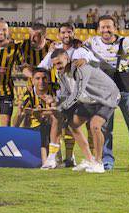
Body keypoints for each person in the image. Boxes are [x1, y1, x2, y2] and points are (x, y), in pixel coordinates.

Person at [74, 15, 129, 171]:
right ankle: (107, 161)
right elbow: (78, 53)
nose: (105, 30)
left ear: (115, 28)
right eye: (102, 27)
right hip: (105, 93)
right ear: (98, 29)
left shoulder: (125, 42)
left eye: (109, 27)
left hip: (125, 91)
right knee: (105, 129)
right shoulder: (91, 42)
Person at [51, 48, 121, 174]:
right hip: (89, 100)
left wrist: (60, 108)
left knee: (95, 126)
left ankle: (99, 163)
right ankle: (90, 160)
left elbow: (77, 93)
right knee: (73, 125)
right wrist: (55, 103)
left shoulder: (81, 68)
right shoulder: (59, 74)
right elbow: (66, 93)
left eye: (60, 63)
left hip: (107, 97)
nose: (58, 67)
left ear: (67, 58)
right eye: (55, 64)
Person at [36, 22, 84, 167]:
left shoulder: (80, 50)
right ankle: (54, 157)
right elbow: (42, 67)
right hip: (60, 95)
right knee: (56, 123)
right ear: (58, 35)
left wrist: (85, 59)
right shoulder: (54, 50)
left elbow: (91, 62)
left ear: (73, 33)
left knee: (72, 127)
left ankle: (71, 158)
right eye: (63, 32)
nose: (66, 35)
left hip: (78, 94)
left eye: (69, 32)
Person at [13, 68, 61, 168]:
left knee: (54, 118)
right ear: (33, 80)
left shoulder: (56, 89)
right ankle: (48, 160)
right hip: (37, 126)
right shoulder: (28, 94)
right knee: (41, 125)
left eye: (44, 78)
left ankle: (54, 159)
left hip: (57, 123)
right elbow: (20, 115)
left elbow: (61, 109)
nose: (41, 81)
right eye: (38, 78)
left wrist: (51, 106)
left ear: (49, 79)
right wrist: (14, 131)